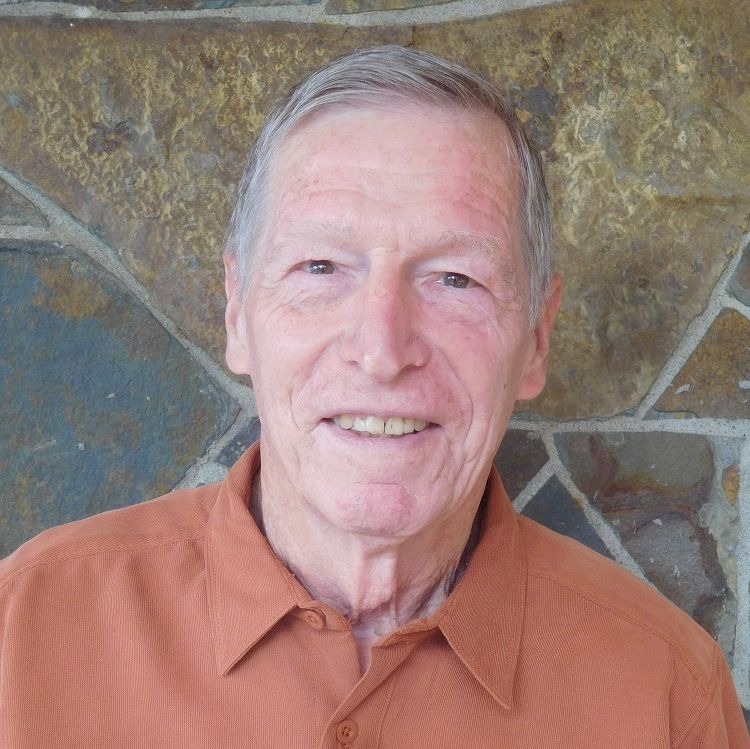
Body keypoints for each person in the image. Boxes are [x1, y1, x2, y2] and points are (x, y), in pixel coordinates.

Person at [0, 45, 747, 748]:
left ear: (537, 338)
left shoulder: (667, 692)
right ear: (237, 313)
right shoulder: (26, 631)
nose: (383, 352)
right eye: (321, 267)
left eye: (455, 278)